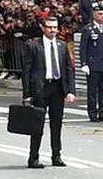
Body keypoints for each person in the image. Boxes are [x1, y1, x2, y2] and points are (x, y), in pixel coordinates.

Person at [23, 16, 74, 169]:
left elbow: (68, 69)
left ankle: (56, 156)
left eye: (55, 27)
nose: (53, 30)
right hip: (40, 88)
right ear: (42, 28)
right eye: (49, 27)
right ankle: (33, 158)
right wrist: (27, 94)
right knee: (37, 125)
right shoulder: (33, 46)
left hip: (57, 88)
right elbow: (27, 71)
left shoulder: (62, 45)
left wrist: (70, 90)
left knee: (56, 123)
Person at [81, 6, 103, 122]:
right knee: (92, 90)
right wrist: (84, 63)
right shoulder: (88, 29)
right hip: (93, 64)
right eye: (100, 14)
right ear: (94, 15)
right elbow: (83, 48)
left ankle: (102, 112)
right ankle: (92, 113)